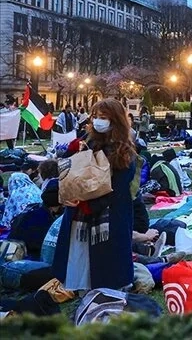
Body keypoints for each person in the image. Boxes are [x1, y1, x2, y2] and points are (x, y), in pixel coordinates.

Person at [53, 98, 136, 291]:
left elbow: (119, 188)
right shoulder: (87, 140)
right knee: (80, 259)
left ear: (115, 120)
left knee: (106, 267)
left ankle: (106, 297)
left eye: (104, 117)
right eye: (95, 116)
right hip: (78, 214)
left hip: (108, 216)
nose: (98, 121)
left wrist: (90, 205)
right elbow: (69, 170)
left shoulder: (124, 150)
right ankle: (85, 295)